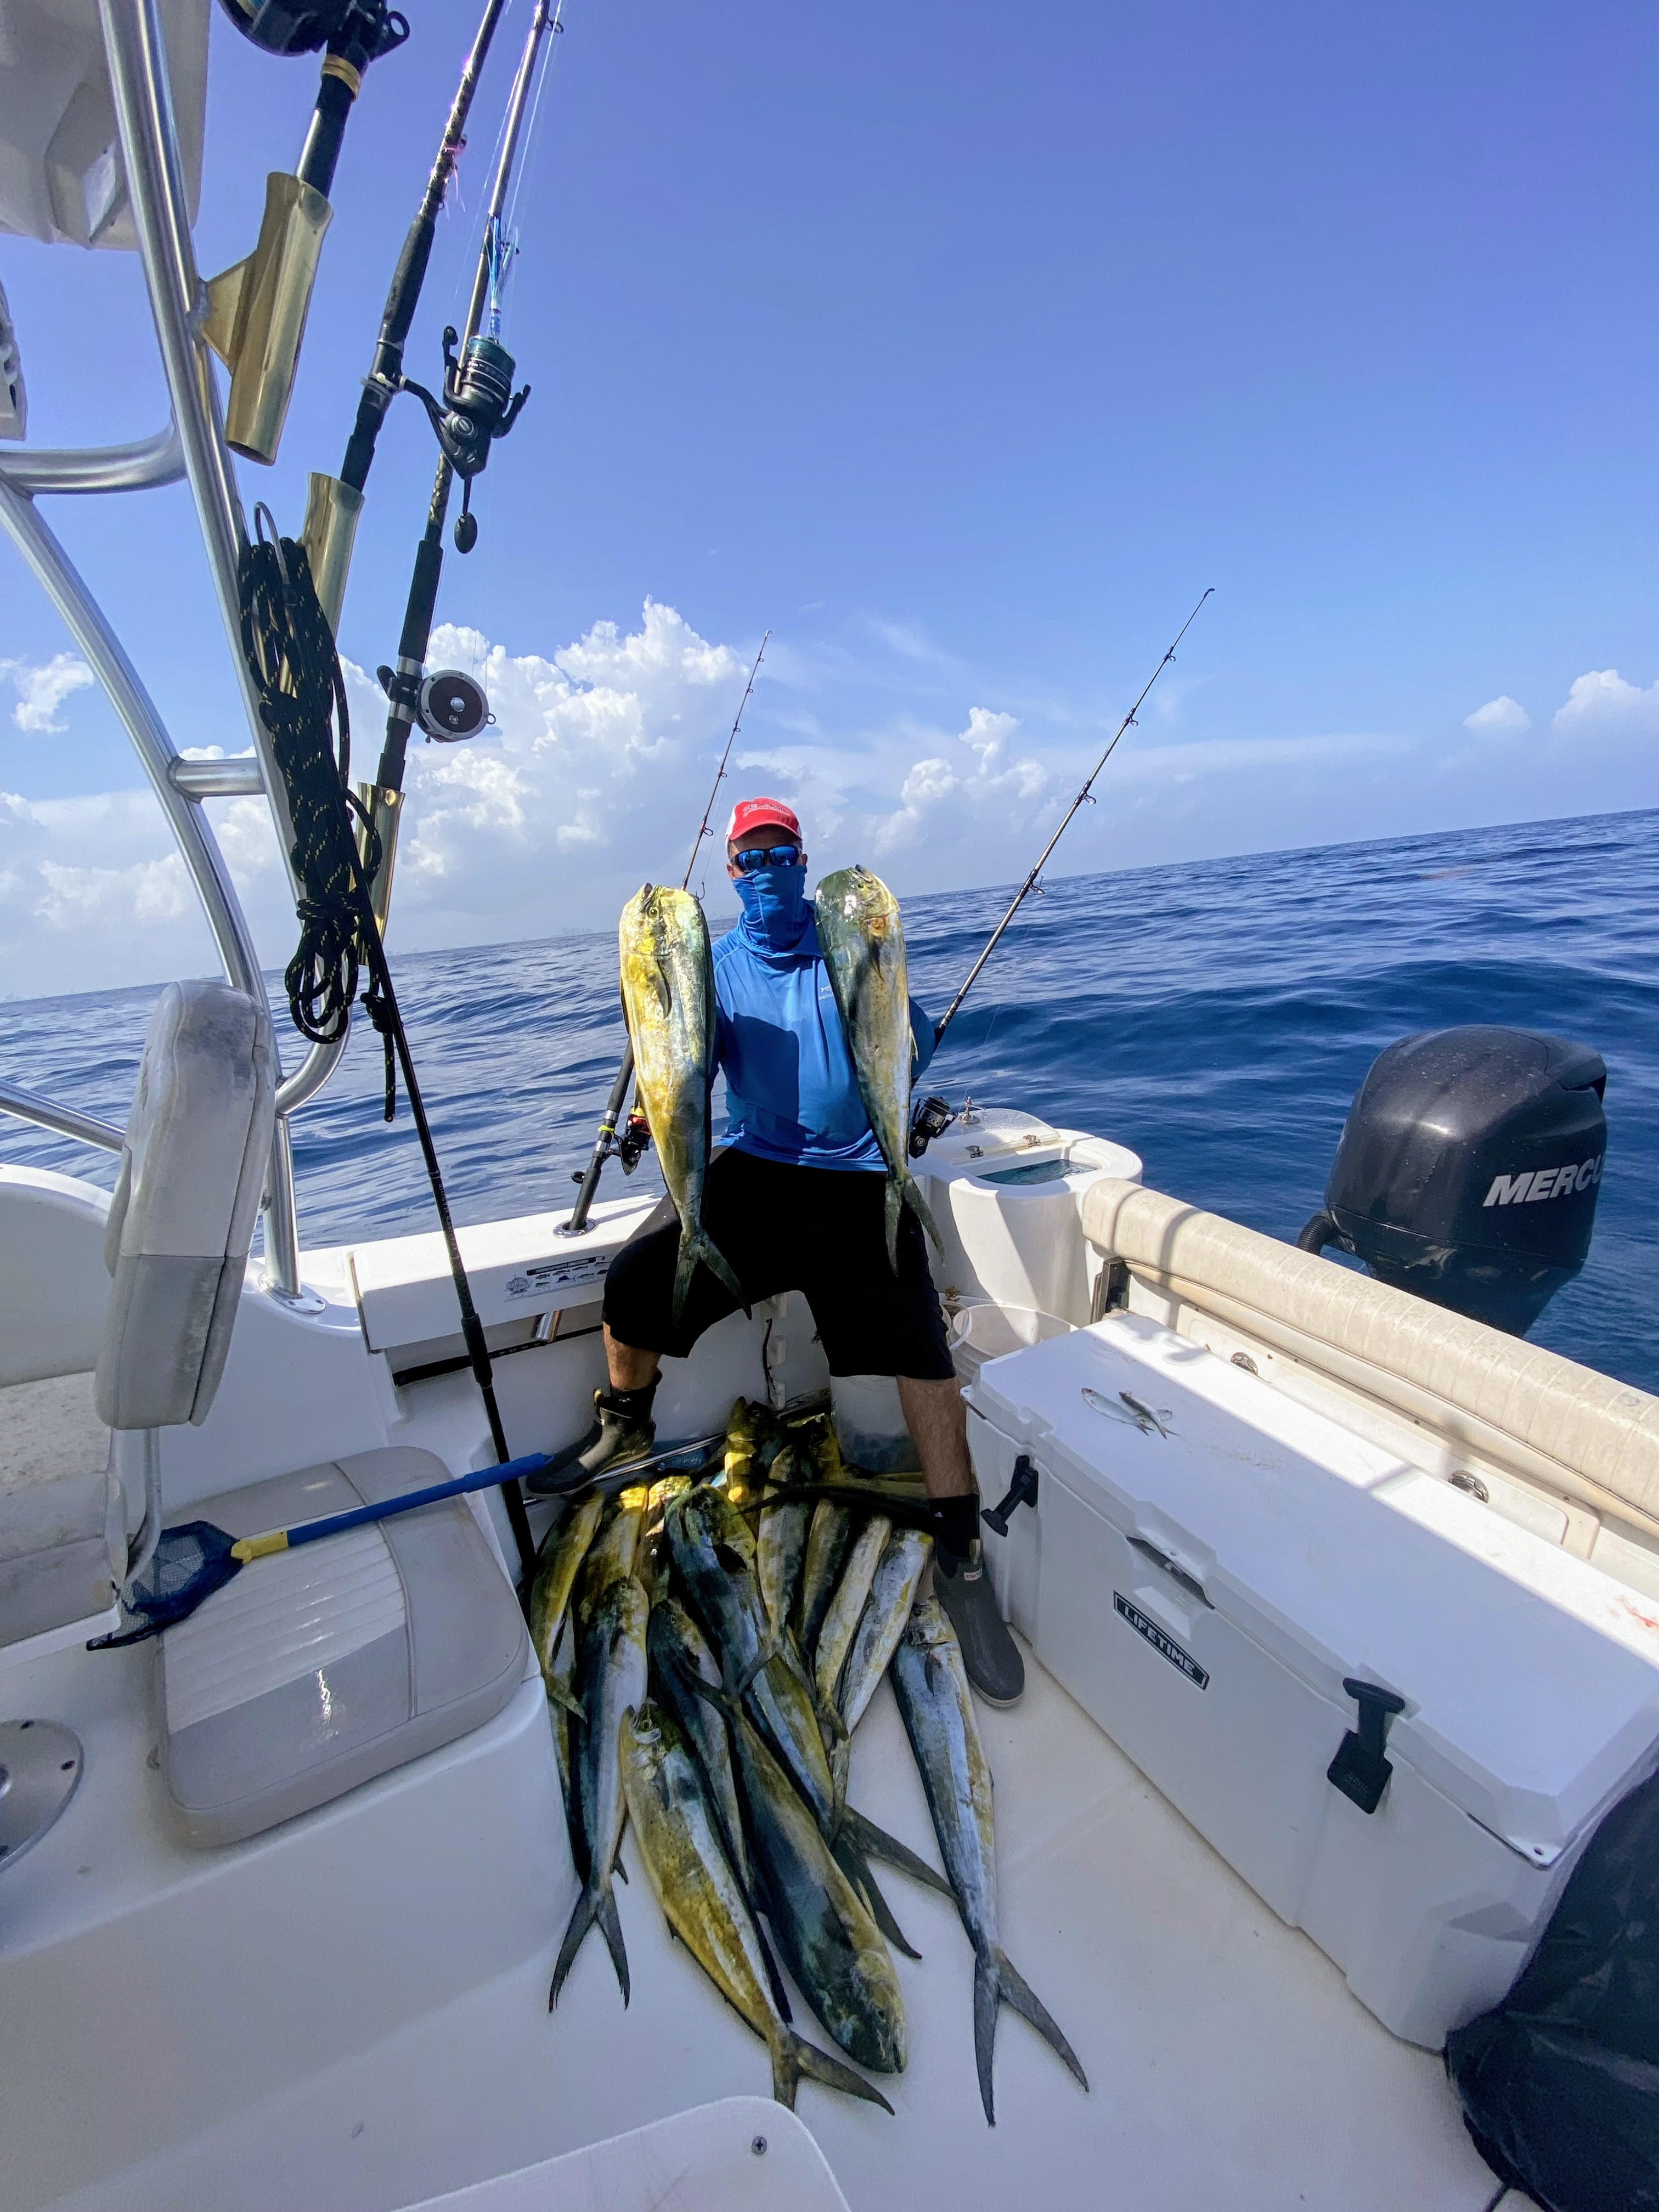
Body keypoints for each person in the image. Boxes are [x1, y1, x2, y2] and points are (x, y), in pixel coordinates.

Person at [531, 795, 1023, 1705]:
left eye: (779, 855)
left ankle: (959, 1549)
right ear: (731, 876)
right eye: (749, 861)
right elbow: (689, 1064)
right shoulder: (713, 969)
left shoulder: (850, 948)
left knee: (922, 1348)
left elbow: (895, 1047)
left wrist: (886, 977)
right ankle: (625, 1426)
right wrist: (655, 1093)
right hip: (756, 1172)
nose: (766, 874)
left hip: (858, 1181)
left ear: (803, 860)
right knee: (636, 1281)